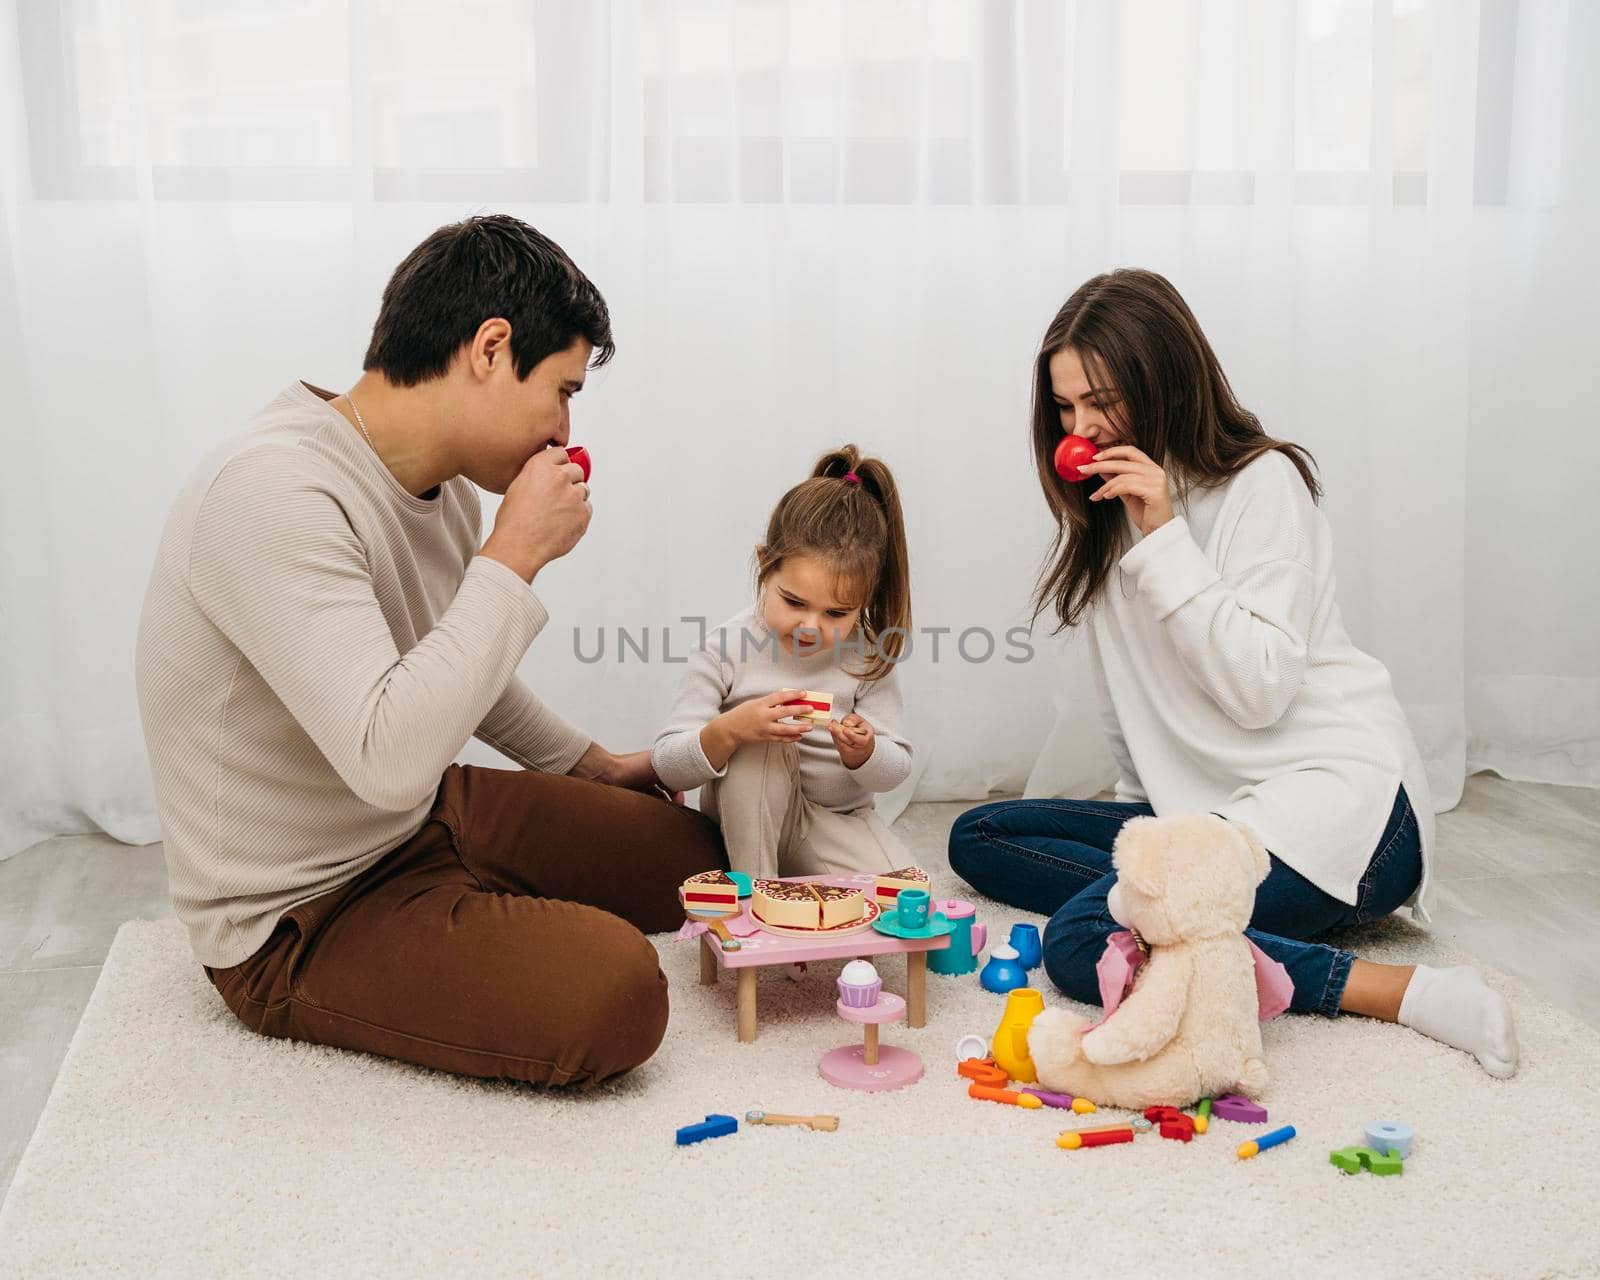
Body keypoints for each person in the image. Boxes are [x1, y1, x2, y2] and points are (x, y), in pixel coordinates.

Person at [135, 214, 724, 1088]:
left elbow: (452, 668)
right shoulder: (271, 493)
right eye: (561, 390)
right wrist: (514, 555)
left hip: (418, 817)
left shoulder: (439, 484)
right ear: (490, 348)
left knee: (699, 862)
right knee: (618, 994)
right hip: (302, 913)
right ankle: (459, 933)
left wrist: (593, 768)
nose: (564, 432)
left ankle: (474, 912)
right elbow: (386, 758)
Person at [947, 268, 1517, 1077]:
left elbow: (1259, 692)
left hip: (1341, 806)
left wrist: (1166, 535)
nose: (1081, 428)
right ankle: (1198, 912)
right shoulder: (1109, 511)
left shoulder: (1261, 484)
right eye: (1067, 408)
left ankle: (1391, 989)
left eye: (1101, 402)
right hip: (1213, 813)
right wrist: (1147, 837)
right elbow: (1134, 706)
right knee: (983, 835)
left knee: (1080, 943)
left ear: (1164, 380)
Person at [653, 446, 915, 879]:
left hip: (834, 822)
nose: (810, 627)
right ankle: (756, 891)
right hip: (748, 826)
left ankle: (793, 882)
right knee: (762, 739)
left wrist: (865, 751)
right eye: (794, 602)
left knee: (906, 904)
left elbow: (894, 771)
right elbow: (669, 766)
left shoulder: (868, 655)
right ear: (765, 568)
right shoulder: (726, 649)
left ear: (863, 602)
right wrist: (731, 728)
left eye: (836, 613)